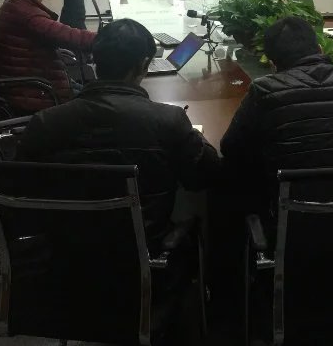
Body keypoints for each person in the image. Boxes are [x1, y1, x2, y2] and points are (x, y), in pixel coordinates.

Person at [18, 18, 222, 245]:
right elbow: (203, 177)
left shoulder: (44, 122)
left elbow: (19, 189)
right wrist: (196, 136)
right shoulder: (168, 121)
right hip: (146, 244)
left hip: (63, 247)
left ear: (95, 61)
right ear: (144, 64)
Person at [220, 16, 333, 218]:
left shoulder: (264, 91)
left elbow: (231, 148)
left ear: (272, 64)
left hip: (295, 220)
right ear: (320, 49)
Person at [0, 0, 95, 113]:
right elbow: (68, 35)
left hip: (24, 85)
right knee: (99, 103)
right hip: (35, 92)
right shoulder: (30, 16)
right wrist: (108, 38)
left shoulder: (13, 5)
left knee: (91, 91)